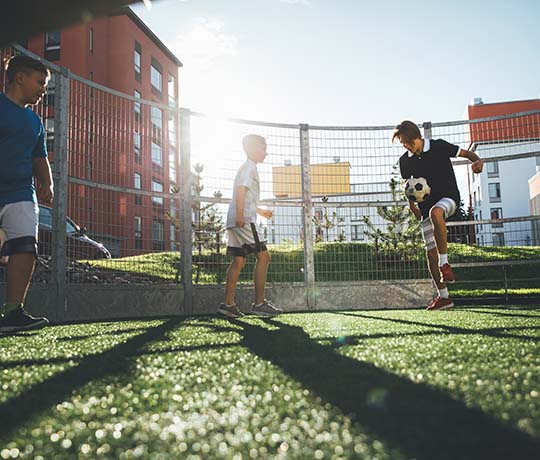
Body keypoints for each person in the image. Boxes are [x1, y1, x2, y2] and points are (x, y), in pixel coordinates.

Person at [394, 120, 483, 311]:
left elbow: (468, 154)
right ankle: (444, 297)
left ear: (417, 136)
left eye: (409, 141)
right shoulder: (405, 161)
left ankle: (445, 264)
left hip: (448, 198)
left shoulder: (439, 146)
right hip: (425, 207)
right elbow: (408, 187)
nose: (407, 146)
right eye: (403, 143)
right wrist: (412, 206)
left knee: (437, 212)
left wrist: (477, 161)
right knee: (430, 253)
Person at [0, 55, 53, 332]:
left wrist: (48, 183)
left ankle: (13, 312)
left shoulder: (35, 122)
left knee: (25, 247)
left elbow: (39, 157)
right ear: (19, 77)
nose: (43, 89)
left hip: (20, 192)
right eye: (40, 82)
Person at [218, 134, 283, 318]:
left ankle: (227, 305)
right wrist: (241, 214)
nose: (266, 152)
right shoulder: (250, 167)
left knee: (238, 260)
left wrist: (260, 211)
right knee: (264, 256)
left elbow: (245, 195)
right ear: (252, 149)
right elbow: (241, 190)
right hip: (244, 219)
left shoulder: (246, 167)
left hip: (236, 218)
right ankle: (259, 304)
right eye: (263, 148)